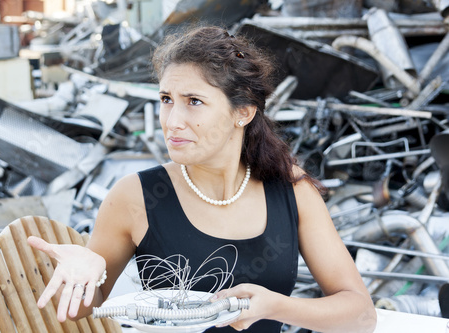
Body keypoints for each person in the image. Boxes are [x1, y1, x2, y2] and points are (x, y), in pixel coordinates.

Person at [28, 25, 377, 332]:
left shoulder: (289, 188)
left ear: (243, 112)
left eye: (194, 101)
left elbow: (360, 316)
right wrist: (87, 270)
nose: (172, 120)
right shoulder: (136, 196)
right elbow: (80, 310)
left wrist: (275, 306)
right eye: (166, 99)